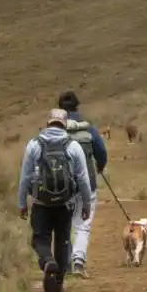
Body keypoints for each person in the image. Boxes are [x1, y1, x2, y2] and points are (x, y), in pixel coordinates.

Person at [18, 108, 93, 292]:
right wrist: (86, 204)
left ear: (48, 122)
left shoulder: (34, 145)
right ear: (65, 124)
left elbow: (25, 177)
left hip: (41, 203)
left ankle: (46, 260)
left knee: (40, 237)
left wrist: (22, 203)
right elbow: (83, 179)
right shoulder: (73, 146)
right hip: (65, 204)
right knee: (63, 239)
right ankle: (57, 281)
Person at [58, 90, 108, 278]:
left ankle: (66, 263)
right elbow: (101, 152)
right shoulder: (88, 129)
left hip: (61, 184)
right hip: (87, 181)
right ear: (77, 107)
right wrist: (100, 167)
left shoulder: (56, 130)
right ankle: (79, 261)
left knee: (64, 223)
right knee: (83, 223)